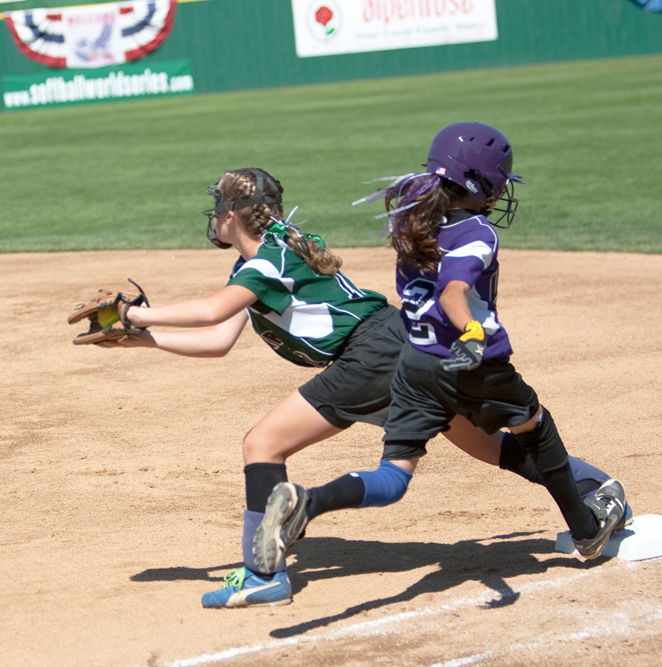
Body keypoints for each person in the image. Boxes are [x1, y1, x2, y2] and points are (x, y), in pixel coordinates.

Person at [96, 167, 626, 608]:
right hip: (400, 343)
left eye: (217, 207)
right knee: (481, 442)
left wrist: (135, 310)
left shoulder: (264, 262)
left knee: (262, 444)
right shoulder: (271, 253)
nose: (213, 216)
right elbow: (218, 338)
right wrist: (144, 339)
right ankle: (592, 489)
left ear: (232, 216)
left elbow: (213, 310)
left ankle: (263, 575)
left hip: (369, 354)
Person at [252, 123, 629, 581]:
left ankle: (308, 501)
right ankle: (587, 529)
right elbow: (453, 290)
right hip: (471, 363)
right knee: (535, 425)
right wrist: (471, 331)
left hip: (415, 366)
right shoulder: (477, 232)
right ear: (484, 183)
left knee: (394, 477)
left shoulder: (413, 222)